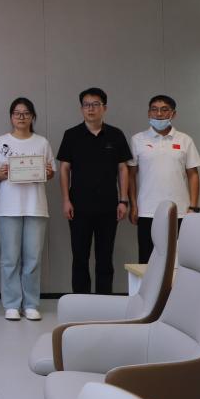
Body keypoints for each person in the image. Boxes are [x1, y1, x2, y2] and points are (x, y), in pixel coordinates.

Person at [56, 88, 131, 294]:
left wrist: (123, 200)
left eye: (95, 104)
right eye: (86, 105)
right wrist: (66, 200)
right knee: (80, 256)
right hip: (78, 206)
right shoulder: (71, 135)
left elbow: (123, 168)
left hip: (109, 206)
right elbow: (64, 169)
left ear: (104, 108)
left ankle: (104, 300)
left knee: (105, 257)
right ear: (81, 108)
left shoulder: (116, 135)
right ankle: (81, 300)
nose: (91, 109)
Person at [0, 97, 55, 321]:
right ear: (11, 117)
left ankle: (31, 304)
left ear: (33, 117)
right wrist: (1, 173)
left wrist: (47, 172)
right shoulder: (0, 142)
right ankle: (11, 304)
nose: (21, 117)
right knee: (9, 259)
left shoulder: (42, 142)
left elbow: (51, 172)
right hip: (7, 208)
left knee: (33, 259)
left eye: (26, 113)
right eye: (17, 113)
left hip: (35, 206)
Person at [128, 94, 200, 263]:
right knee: (147, 260)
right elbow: (131, 175)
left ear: (173, 114)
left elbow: (193, 174)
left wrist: (193, 207)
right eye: (154, 109)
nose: (159, 114)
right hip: (147, 210)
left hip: (180, 211)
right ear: (149, 113)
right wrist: (133, 205)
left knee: (177, 260)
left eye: (164, 110)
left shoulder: (185, 140)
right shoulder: (138, 140)